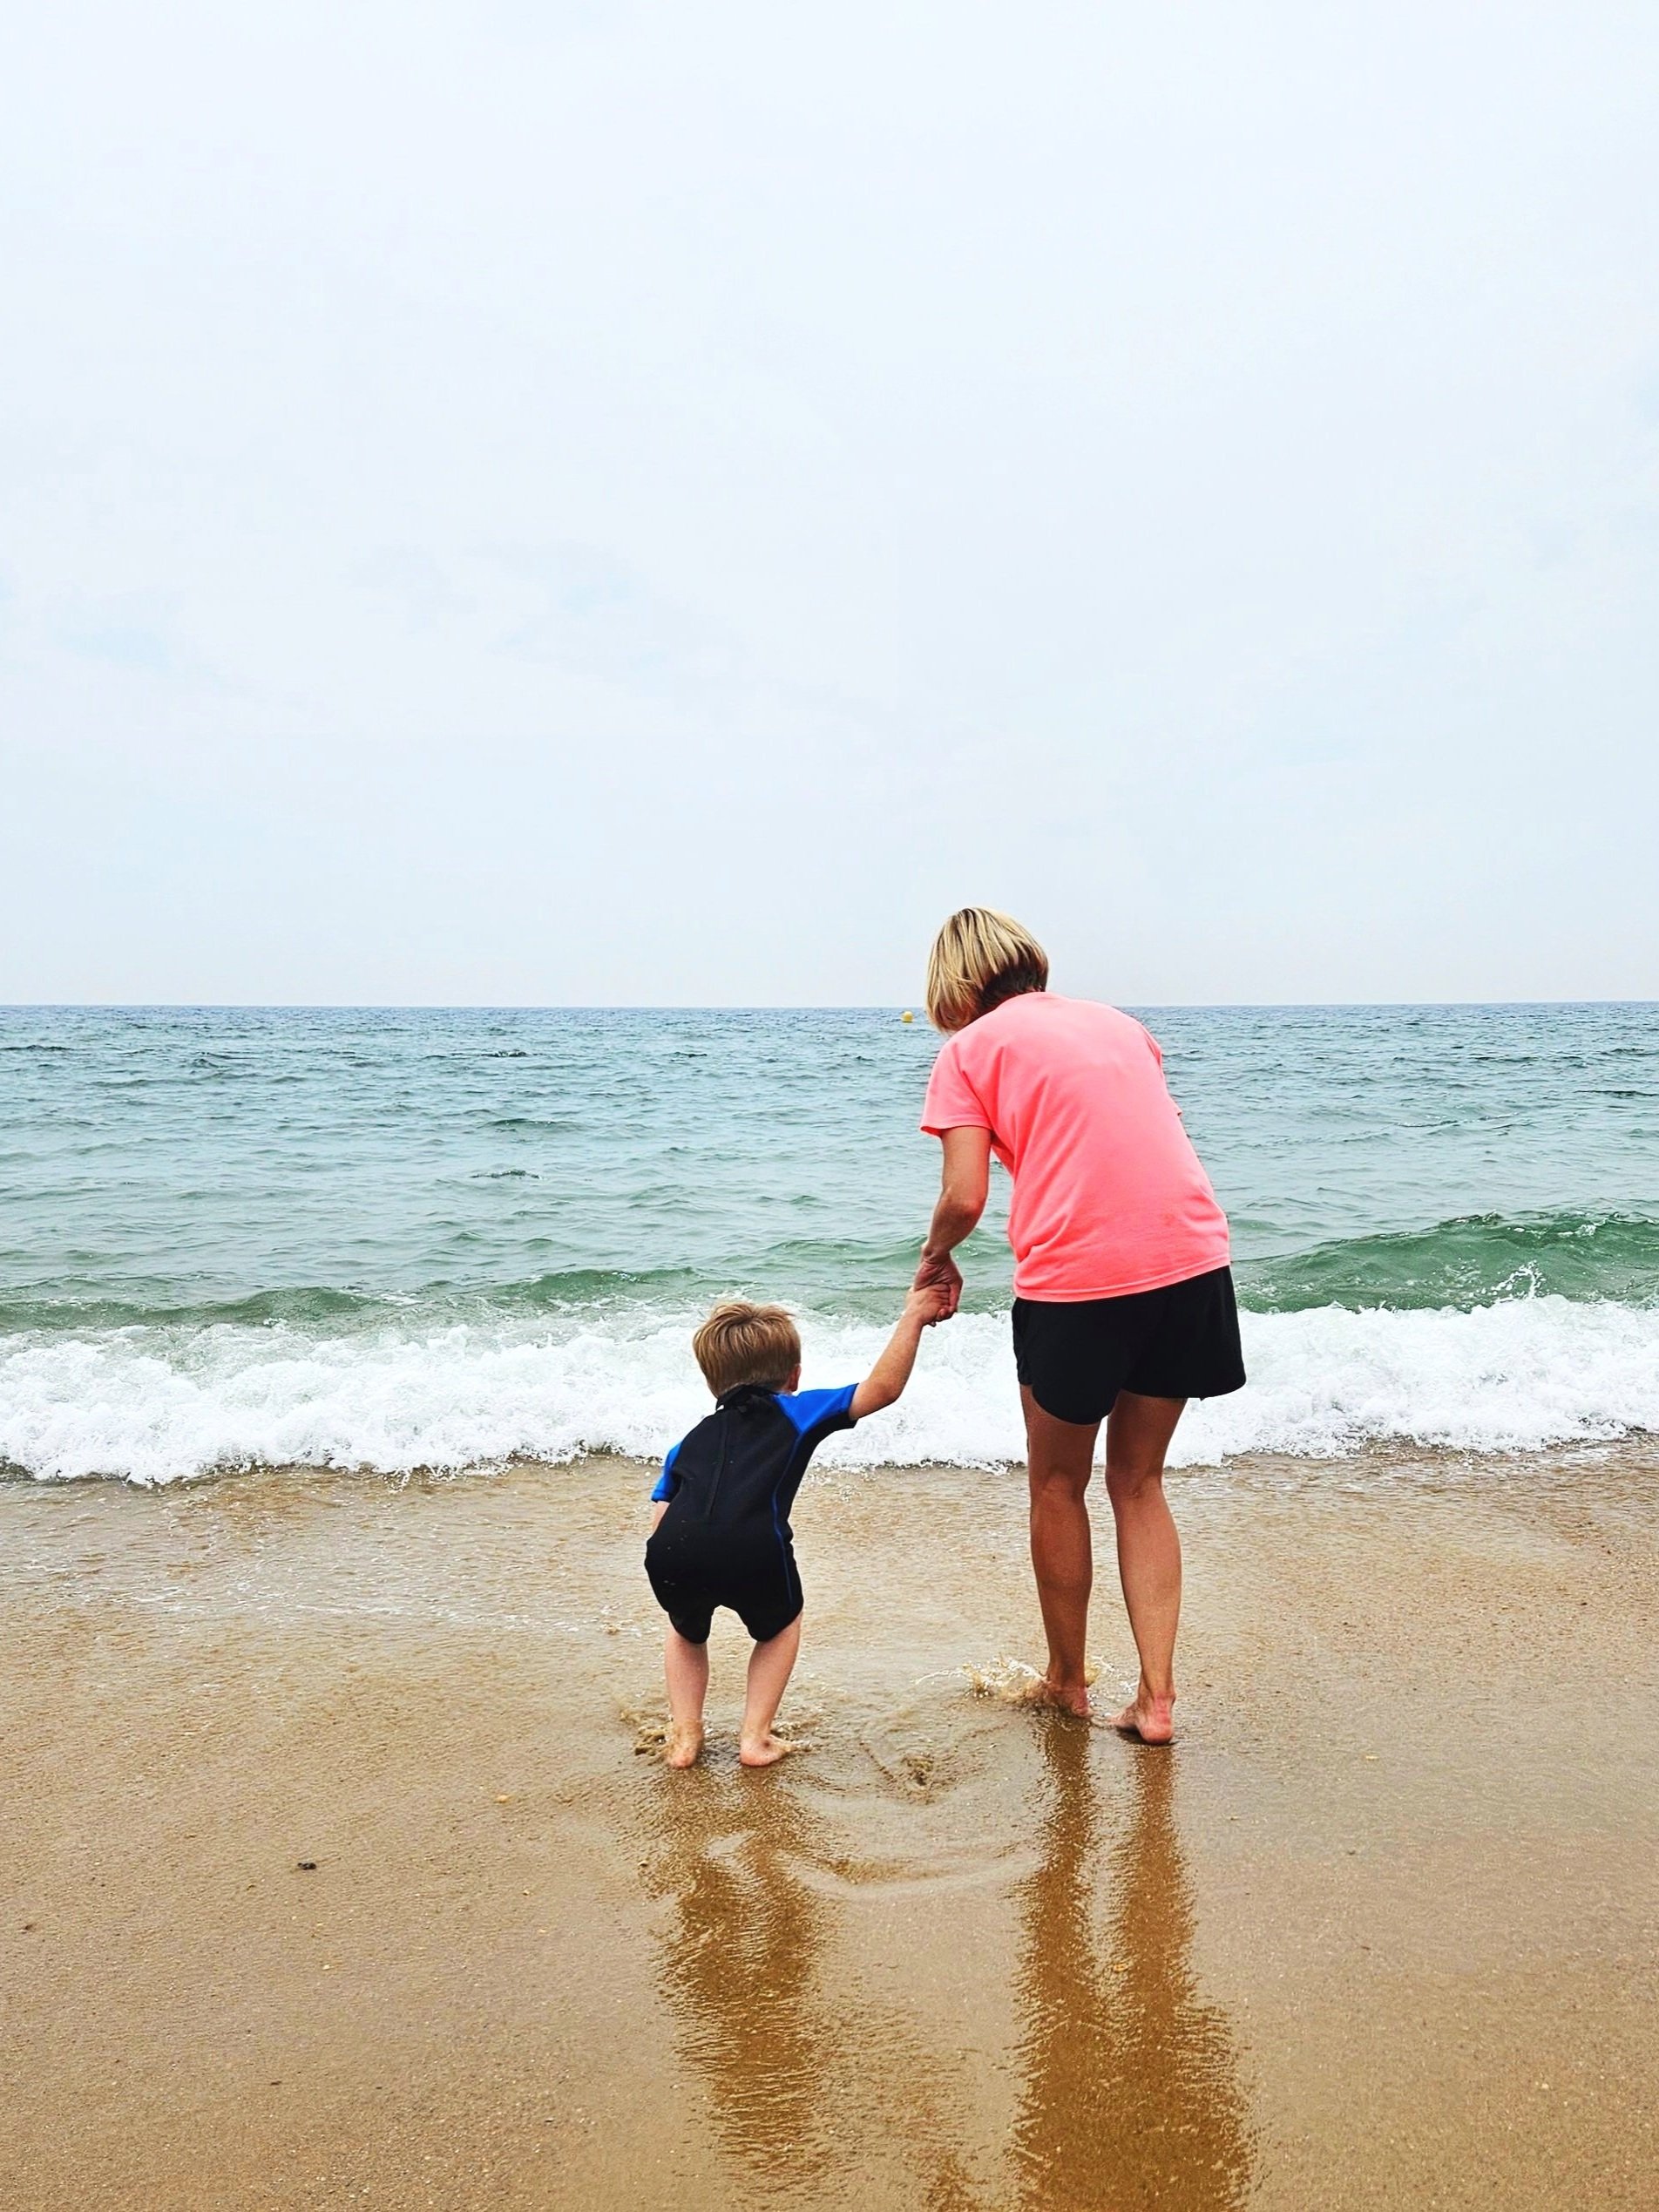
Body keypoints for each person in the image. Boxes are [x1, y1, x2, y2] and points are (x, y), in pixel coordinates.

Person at [913, 908, 1244, 1741]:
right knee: (1140, 1483)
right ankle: (1157, 1700)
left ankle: (1068, 1683)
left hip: (1080, 1280)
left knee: (1059, 1484)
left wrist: (935, 1257)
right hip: (1192, 1259)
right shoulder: (1120, 1026)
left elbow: (964, 1196)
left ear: (956, 985)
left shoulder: (967, 1050)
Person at [646, 1288, 945, 1768]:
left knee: (685, 1632)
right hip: (753, 1550)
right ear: (794, 1375)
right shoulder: (798, 1411)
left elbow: (661, 1514)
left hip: (671, 1552)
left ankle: (685, 1738)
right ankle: (755, 1738)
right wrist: (913, 1317)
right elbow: (881, 1390)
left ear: (711, 1383)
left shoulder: (689, 1440)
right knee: (781, 1626)